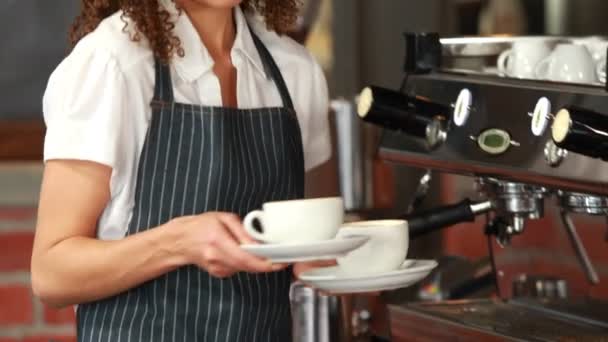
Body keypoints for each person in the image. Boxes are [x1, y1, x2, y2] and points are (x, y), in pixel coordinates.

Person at [30, 0, 332, 341]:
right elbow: (51, 275)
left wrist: (320, 256)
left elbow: (309, 237)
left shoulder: (295, 70)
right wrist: (178, 243)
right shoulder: (112, 63)